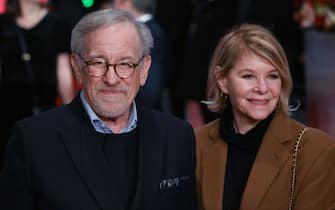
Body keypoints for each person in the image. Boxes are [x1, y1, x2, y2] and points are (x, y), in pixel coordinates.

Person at [0, 9, 197, 210]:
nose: (111, 79)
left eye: (125, 63)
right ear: (77, 68)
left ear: (144, 69)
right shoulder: (33, 140)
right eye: (98, 63)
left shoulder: (178, 136)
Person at [195, 24, 335, 210]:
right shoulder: (195, 143)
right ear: (222, 81)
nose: (262, 88)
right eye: (248, 76)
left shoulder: (316, 150)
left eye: (272, 76)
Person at [0, 0, 76, 167]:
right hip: (7, 111)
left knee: (44, 166)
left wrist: (71, 116)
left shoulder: (58, 24)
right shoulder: (3, 24)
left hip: (44, 109)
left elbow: (63, 72)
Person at [112, 0, 170, 111]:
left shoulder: (148, 34)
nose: (113, 6)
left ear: (126, 3)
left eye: (116, 2)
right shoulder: (149, 30)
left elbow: (151, 83)